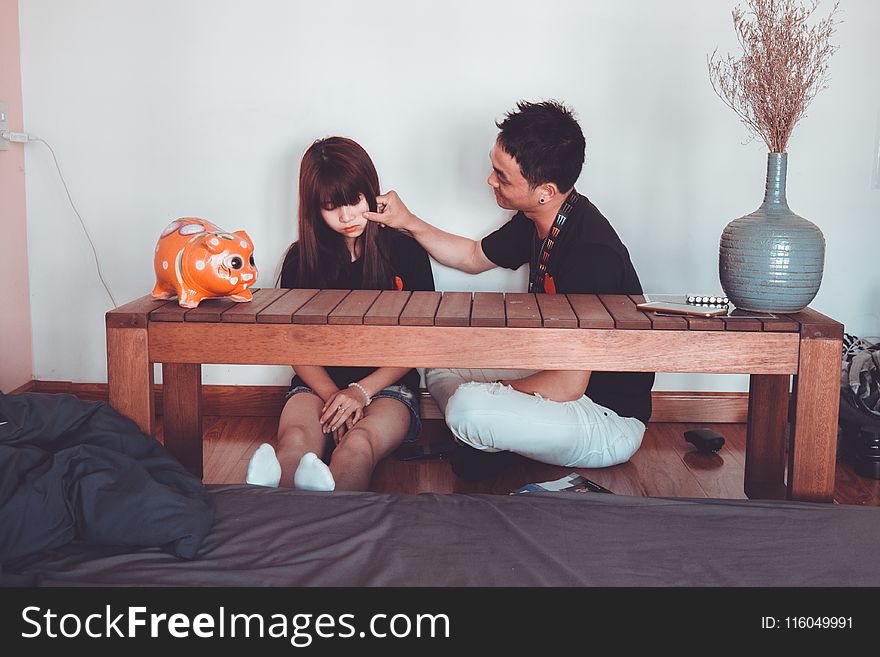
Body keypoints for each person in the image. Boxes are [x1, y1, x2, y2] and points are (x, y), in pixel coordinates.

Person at [363, 100, 654, 477]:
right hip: (556, 376)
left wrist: (494, 390)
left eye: (502, 176)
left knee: (469, 407)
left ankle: (485, 432)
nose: (490, 180)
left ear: (545, 191)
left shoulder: (591, 253)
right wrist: (408, 222)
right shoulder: (537, 218)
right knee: (442, 357)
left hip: (604, 415)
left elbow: (568, 384)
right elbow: (470, 256)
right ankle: (492, 435)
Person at [246, 137, 435, 491]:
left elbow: (417, 342)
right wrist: (335, 395)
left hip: (388, 389)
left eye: (354, 201)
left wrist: (360, 393)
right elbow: (293, 346)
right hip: (316, 386)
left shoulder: (405, 252)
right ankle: (272, 511)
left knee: (357, 447)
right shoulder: (300, 260)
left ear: (370, 193)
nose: (346, 216)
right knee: (295, 446)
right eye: (332, 206)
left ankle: (332, 531)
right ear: (314, 209)